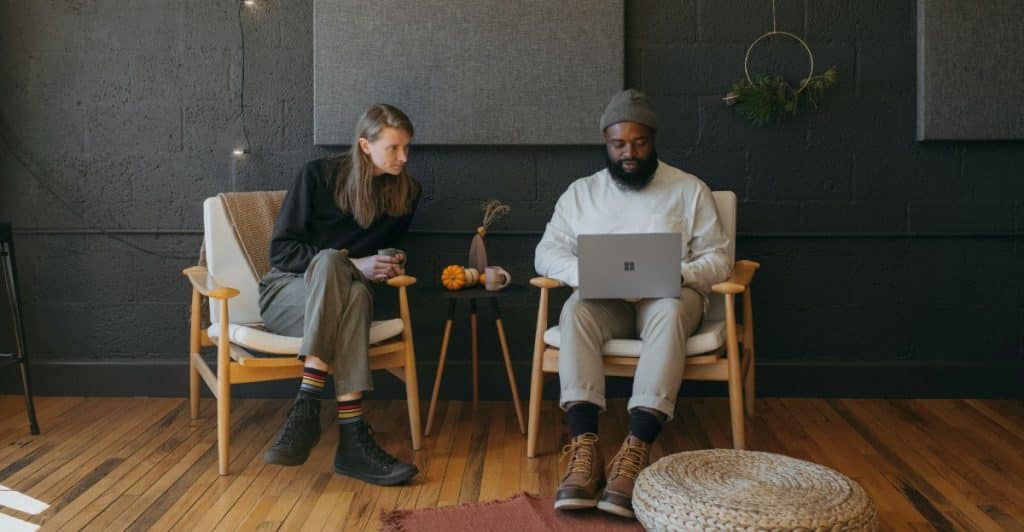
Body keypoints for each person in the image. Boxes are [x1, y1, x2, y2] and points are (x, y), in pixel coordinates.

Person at [535, 89, 732, 518]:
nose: (629, 153)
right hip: (606, 300)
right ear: (606, 142)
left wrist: (680, 274)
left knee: (669, 308)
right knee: (574, 310)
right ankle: (585, 451)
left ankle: (637, 446)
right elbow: (546, 252)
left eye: (639, 143)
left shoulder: (688, 189)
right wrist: (584, 276)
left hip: (668, 297)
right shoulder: (581, 193)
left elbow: (720, 257)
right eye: (619, 144)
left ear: (653, 139)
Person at [259, 103, 421, 486]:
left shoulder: (407, 193)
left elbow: (384, 252)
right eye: (394, 148)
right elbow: (281, 253)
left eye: (406, 147)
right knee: (334, 263)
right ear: (365, 145)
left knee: (357, 293)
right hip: (287, 294)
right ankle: (343, 430)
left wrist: (389, 265)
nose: (404, 157)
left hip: (347, 299)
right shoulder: (317, 176)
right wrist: (352, 264)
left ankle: (314, 411)